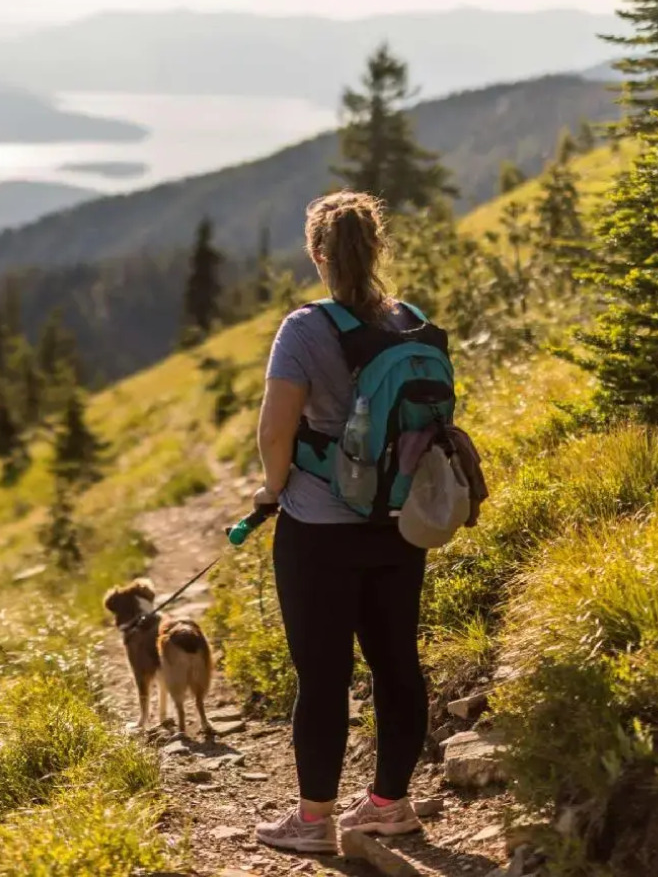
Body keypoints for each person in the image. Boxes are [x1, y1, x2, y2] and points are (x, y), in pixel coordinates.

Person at [252, 190, 429, 853]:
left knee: (323, 674)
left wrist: (271, 491)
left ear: (317, 253)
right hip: (397, 521)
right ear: (377, 248)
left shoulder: (304, 329)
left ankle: (313, 820)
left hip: (319, 528)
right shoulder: (409, 321)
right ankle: (388, 804)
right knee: (396, 663)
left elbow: (276, 430)